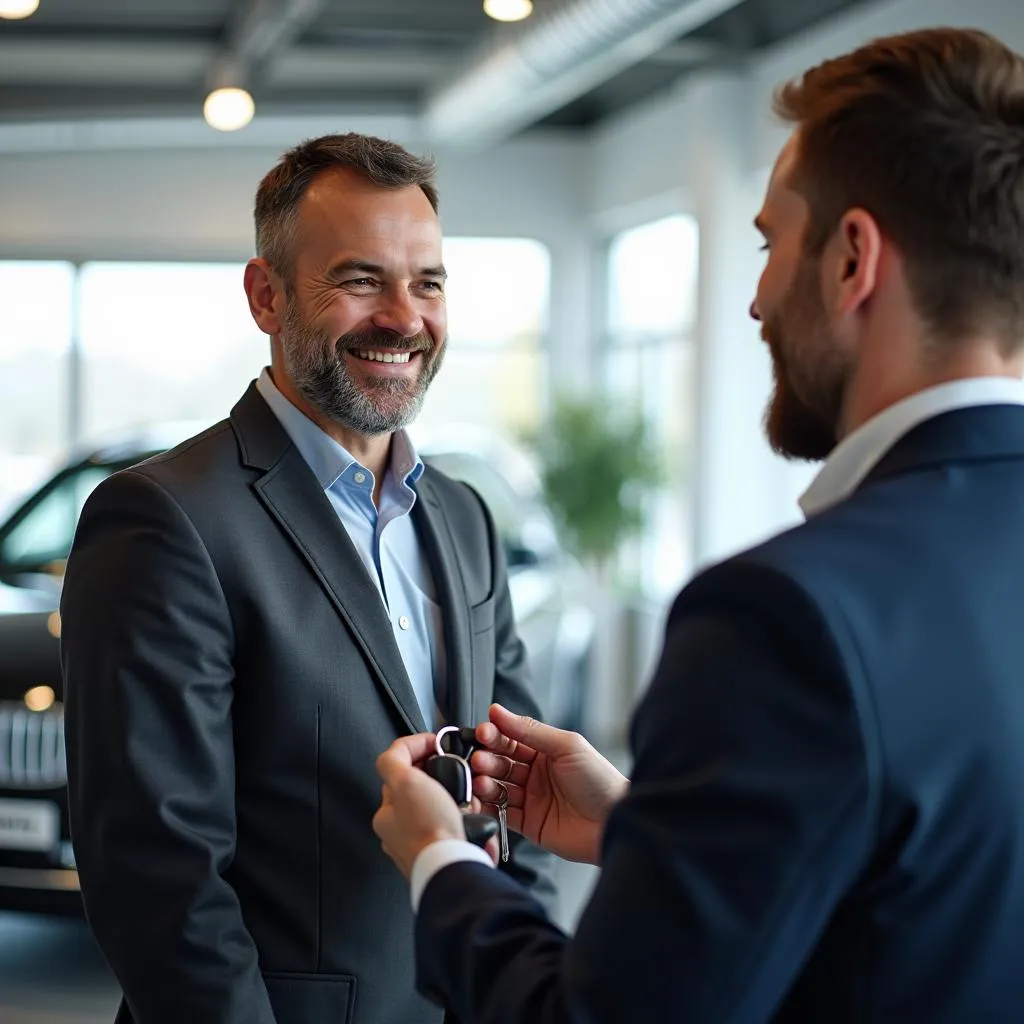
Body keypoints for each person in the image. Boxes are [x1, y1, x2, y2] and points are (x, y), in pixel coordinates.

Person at [373, 26, 1024, 1022]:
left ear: (851, 258)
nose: (756, 300)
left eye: (768, 246)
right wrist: (651, 828)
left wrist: (441, 862)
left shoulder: (782, 616)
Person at [61, 132, 554, 1024]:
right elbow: (160, 884)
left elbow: (520, 801)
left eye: (428, 282)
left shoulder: (465, 519)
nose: (404, 317)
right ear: (267, 294)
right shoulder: (163, 519)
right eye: (362, 280)